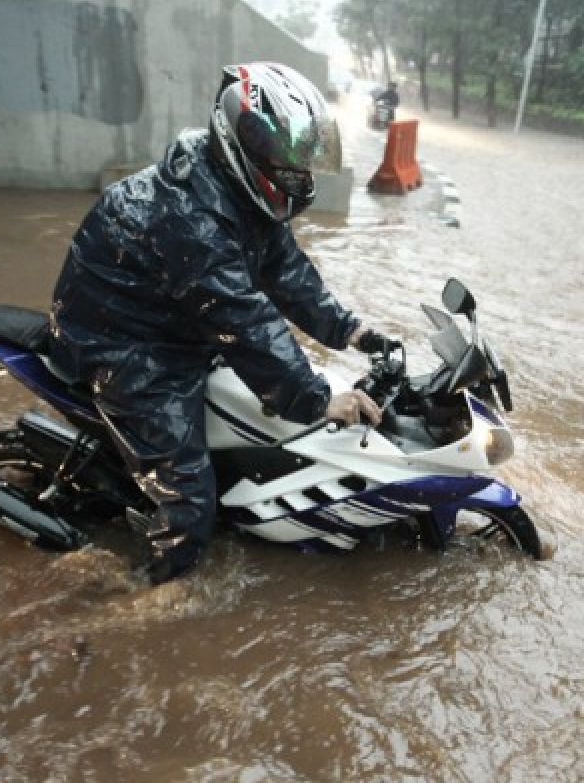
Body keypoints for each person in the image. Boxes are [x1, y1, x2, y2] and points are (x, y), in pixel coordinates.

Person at [48, 63, 388, 584]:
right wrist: (318, 400)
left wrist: (350, 331)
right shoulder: (190, 220)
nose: (300, 170)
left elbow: (287, 271)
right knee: (189, 501)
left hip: (174, 325)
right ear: (246, 143)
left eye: (304, 158)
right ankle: (151, 593)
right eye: (289, 157)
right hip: (124, 345)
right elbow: (245, 321)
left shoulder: (237, 193)